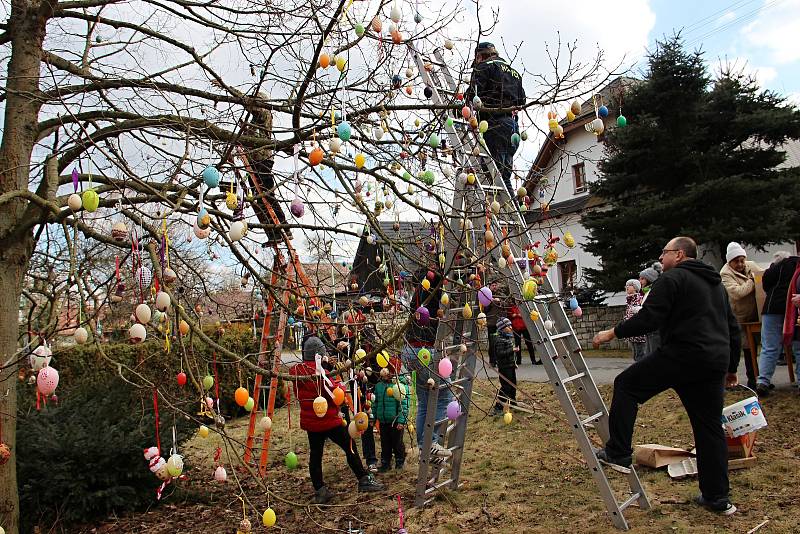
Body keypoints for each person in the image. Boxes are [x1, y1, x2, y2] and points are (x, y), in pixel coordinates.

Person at [592, 237, 740, 516]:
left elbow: (649, 318)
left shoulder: (672, 280)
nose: (661, 258)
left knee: (627, 385)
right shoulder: (715, 284)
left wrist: (611, 333)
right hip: (713, 362)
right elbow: (731, 326)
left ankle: (618, 451)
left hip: (683, 355)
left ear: (680, 255)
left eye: (665, 253)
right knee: (708, 428)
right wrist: (731, 367)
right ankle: (717, 498)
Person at [290, 336, 384, 504]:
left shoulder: (298, 373)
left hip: (312, 423)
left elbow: (300, 394)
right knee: (350, 446)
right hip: (329, 421)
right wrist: (340, 385)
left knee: (315, 455)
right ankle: (363, 479)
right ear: (320, 354)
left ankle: (319, 489)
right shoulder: (321, 374)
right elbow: (335, 395)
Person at [399, 264, 453, 461]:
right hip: (425, 351)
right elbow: (442, 275)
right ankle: (431, 443)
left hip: (410, 350)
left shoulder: (419, 297)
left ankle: (424, 446)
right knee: (444, 395)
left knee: (424, 401)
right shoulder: (432, 292)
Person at [464, 42, 526, 197]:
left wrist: (463, 109)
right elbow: (522, 100)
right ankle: (511, 210)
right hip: (512, 129)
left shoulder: (483, 67)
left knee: (494, 174)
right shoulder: (514, 73)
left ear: (479, 56)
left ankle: (508, 210)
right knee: (503, 175)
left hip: (493, 125)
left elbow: (473, 95)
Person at [755, 251, 800, 396]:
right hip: (794, 308)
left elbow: (766, 285)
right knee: (798, 347)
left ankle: (763, 381)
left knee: (769, 346)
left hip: (772, 307)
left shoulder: (774, 268)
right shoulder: (797, 266)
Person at [719, 242, 759, 389]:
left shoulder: (751, 266)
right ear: (730, 262)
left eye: (742, 260)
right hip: (738, 318)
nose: (741, 264)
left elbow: (763, 277)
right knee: (745, 349)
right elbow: (737, 293)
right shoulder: (725, 274)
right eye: (737, 261)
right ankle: (750, 380)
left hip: (755, 314)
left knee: (756, 347)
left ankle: (758, 378)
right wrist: (752, 281)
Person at [373, 361, 409, 471]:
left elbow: (403, 405)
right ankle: (385, 462)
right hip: (383, 421)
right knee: (385, 443)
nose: (385, 376)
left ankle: (400, 461)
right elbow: (376, 403)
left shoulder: (398, 387)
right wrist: (373, 418)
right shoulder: (379, 386)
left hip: (395, 421)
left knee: (397, 442)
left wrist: (401, 421)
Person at [491, 317, 517, 415]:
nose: (511, 327)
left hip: (510, 365)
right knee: (506, 387)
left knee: (513, 384)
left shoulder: (508, 337)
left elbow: (510, 355)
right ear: (502, 328)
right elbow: (500, 353)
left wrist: (514, 363)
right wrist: (512, 350)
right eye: (508, 326)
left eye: (510, 325)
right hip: (504, 367)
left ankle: (513, 402)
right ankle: (498, 407)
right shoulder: (499, 340)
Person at [639, 262, 663, 354]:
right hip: (649, 330)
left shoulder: (653, 292)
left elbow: (651, 310)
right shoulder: (647, 292)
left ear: (650, 279)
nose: (640, 281)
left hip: (655, 330)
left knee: (653, 356)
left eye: (642, 279)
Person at [507, 297, 539, 365]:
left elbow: (526, 315)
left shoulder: (523, 306)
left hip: (524, 326)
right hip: (516, 327)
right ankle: (518, 360)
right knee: (517, 344)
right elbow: (509, 315)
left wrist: (518, 315)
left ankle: (533, 359)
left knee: (529, 343)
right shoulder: (511, 307)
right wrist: (514, 315)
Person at [622, 279, 647, 361]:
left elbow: (642, 311)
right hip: (632, 333)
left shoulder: (639, 298)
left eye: (630, 285)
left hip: (639, 333)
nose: (627, 287)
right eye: (627, 285)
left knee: (641, 356)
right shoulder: (629, 300)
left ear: (636, 288)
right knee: (635, 356)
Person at [482, 280, 502, 368]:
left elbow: (505, 305)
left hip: (499, 322)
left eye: (495, 285)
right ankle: (492, 361)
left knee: (499, 342)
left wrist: (500, 301)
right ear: (490, 287)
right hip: (491, 323)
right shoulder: (487, 296)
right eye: (493, 285)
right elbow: (485, 309)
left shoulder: (500, 294)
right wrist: (492, 301)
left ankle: (498, 359)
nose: (494, 287)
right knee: (492, 342)